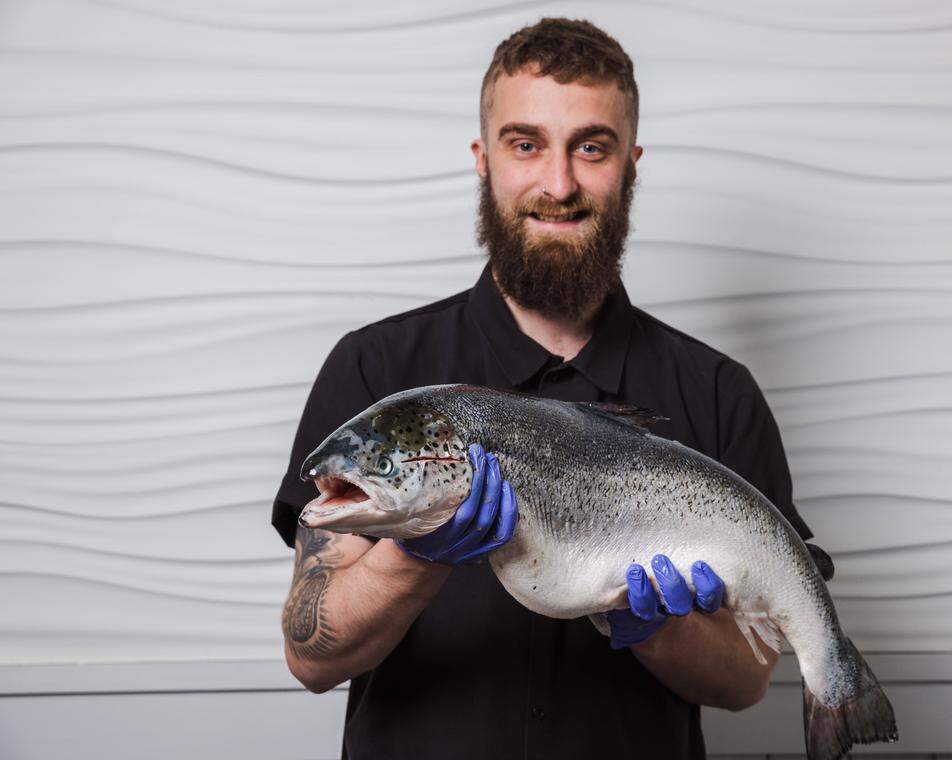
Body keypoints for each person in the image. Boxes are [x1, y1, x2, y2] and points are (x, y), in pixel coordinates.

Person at [272, 17, 825, 760]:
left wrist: (659, 626)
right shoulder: (377, 371)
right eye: (526, 143)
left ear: (631, 165)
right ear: (484, 159)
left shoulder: (718, 392)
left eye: (590, 148)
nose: (558, 184)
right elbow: (312, 655)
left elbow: (744, 683)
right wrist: (417, 553)